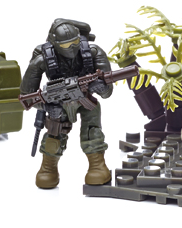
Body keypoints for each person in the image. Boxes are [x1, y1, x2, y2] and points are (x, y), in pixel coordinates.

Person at [21, 18, 114, 188]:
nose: (72, 48)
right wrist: (47, 106)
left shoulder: (93, 52)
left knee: (92, 130)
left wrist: (100, 87)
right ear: (55, 44)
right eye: (65, 45)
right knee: (54, 133)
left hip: (86, 99)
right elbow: (26, 97)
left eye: (75, 42)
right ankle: (48, 168)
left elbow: (107, 92)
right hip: (59, 103)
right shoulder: (42, 59)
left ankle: (97, 165)